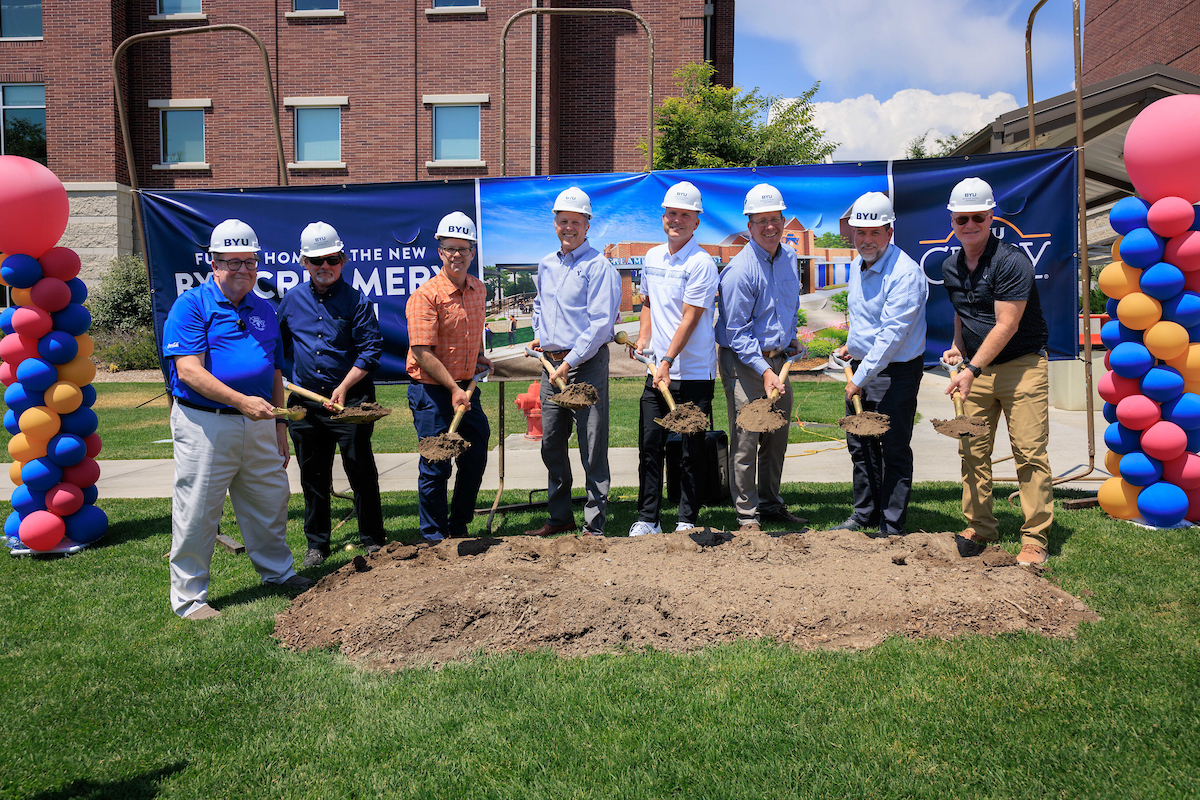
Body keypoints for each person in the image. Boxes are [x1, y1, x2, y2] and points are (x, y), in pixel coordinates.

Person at [162, 219, 312, 620]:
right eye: (233, 262)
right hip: (206, 424)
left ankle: (278, 574)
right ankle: (190, 598)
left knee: (270, 502)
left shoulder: (264, 309)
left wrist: (280, 426)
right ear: (214, 264)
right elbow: (190, 371)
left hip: (261, 422)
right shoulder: (191, 305)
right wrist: (241, 402)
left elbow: (275, 372)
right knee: (197, 510)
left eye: (250, 262)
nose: (242, 270)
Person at [940, 177, 1053, 566]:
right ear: (952, 221)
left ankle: (1035, 537)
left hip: (1022, 367)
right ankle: (980, 527)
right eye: (961, 219)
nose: (969, 225)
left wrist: (970, 367)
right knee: (971, 450)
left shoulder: (1012, 261)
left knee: (1028, 451)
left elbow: (1006, 325)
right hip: (976, 368)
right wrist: (958, 345)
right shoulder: (950, 265)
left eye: (978, 217)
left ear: (992, 217)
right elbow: (963, 310)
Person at [277, 221, 385, 568]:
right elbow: (279, 349)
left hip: (350, 402)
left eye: (332, 259)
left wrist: (343, 388)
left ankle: (372, 539)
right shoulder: (291, 301)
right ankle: (317, 546)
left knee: (360, 471)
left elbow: (371, 350)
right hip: (305, 404)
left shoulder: (356, 301)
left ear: (343, 259)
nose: (325, 266)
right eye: (316, 260)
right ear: (303, 262)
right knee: (313, 475)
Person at [525, 187, 622, 537]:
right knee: (552, 443)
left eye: (575, 222)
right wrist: (541, 333)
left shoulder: (599, 267)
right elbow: (539, 305)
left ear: (587, 226)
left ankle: (594, 524)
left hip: (584, 366)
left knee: (591, 444)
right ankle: (560, 515)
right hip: (550, 366)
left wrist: (571, 361)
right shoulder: (547, 264)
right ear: (555, 224)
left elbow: (600, 325)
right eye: (563, 221)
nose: (569, 227)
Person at [831, 192, 928, 537]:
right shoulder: (860, 265)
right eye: (861, 232)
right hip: (865, 366)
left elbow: (891, 337)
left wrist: (858, 377)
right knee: (861, 446)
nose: (867, 239)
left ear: (889, 232)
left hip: (894, 373)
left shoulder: (905, 274)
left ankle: (891, 524)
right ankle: (864, 514)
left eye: (875, 232)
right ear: (853, 233)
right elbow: (867, 323)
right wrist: (851, 346)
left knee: (892, 448)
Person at [715, 183, 809, 533]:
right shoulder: (739, 272)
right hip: (744, 364)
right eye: (761, 221)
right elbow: (737, 333)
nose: (770, 227)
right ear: (749, 226)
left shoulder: (789, 258)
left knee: (777, 435)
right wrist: (763, 371)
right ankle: (747, 515)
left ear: (783, 221)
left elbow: (785, 308)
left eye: (775, 219)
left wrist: (790, 341)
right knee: (747, 437)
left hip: (778, 361)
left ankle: (770, 504)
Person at [630, 181, 719, 536]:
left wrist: (667, 359)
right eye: (672, 214)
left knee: (690, 450)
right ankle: (647, 519)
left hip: (694, 374)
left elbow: (690, 317)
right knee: (650, 446)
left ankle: (686, 518)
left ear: (696, 221)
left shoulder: (702, 264)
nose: (677, 220)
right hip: (658, 373)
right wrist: (643, 339)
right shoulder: (651, 257)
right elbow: (648, 303)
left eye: (685, 215)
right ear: (663, 217)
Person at [405, 211, 492, 542]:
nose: (457, 255)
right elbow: (421, 352)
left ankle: (458, 524)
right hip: (432, 393)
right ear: (440, 251)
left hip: (464, 391)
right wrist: (454, 388)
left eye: (463, 248)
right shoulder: (426, 296)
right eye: (450, 248)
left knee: (475, 454)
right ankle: (434, 537)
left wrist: (479, 357)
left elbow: (468, 335)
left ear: (473, 252)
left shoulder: (478, 290)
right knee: (436, 464)